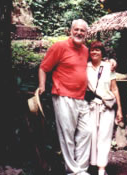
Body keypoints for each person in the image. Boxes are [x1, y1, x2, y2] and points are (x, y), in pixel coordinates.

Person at [38, 19, 117, 175]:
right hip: (63, 96)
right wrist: (42, 86)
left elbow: (98, 59)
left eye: (82, 31)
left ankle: (81, 169)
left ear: (86, 34)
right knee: (67, 134)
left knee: (87, 132)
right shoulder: (59, 47)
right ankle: (73, 171)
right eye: (77, 29)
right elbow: (43, 67)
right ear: (71, 30)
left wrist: (110, 61)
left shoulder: (85, 50)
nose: (79, 33)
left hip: (81, 99)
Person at [87, 41, 123, 175]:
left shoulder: (108, 67)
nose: (95, 52)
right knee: (90, 135)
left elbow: (114, 88)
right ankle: (91, 165)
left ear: (102, 53)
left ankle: (102, 168)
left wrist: (120, 109)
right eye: (92, 50)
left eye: (98, 50)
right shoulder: (85, 67)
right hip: (90, 106)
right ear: (89, 52)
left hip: (107, 106)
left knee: (105, 136)